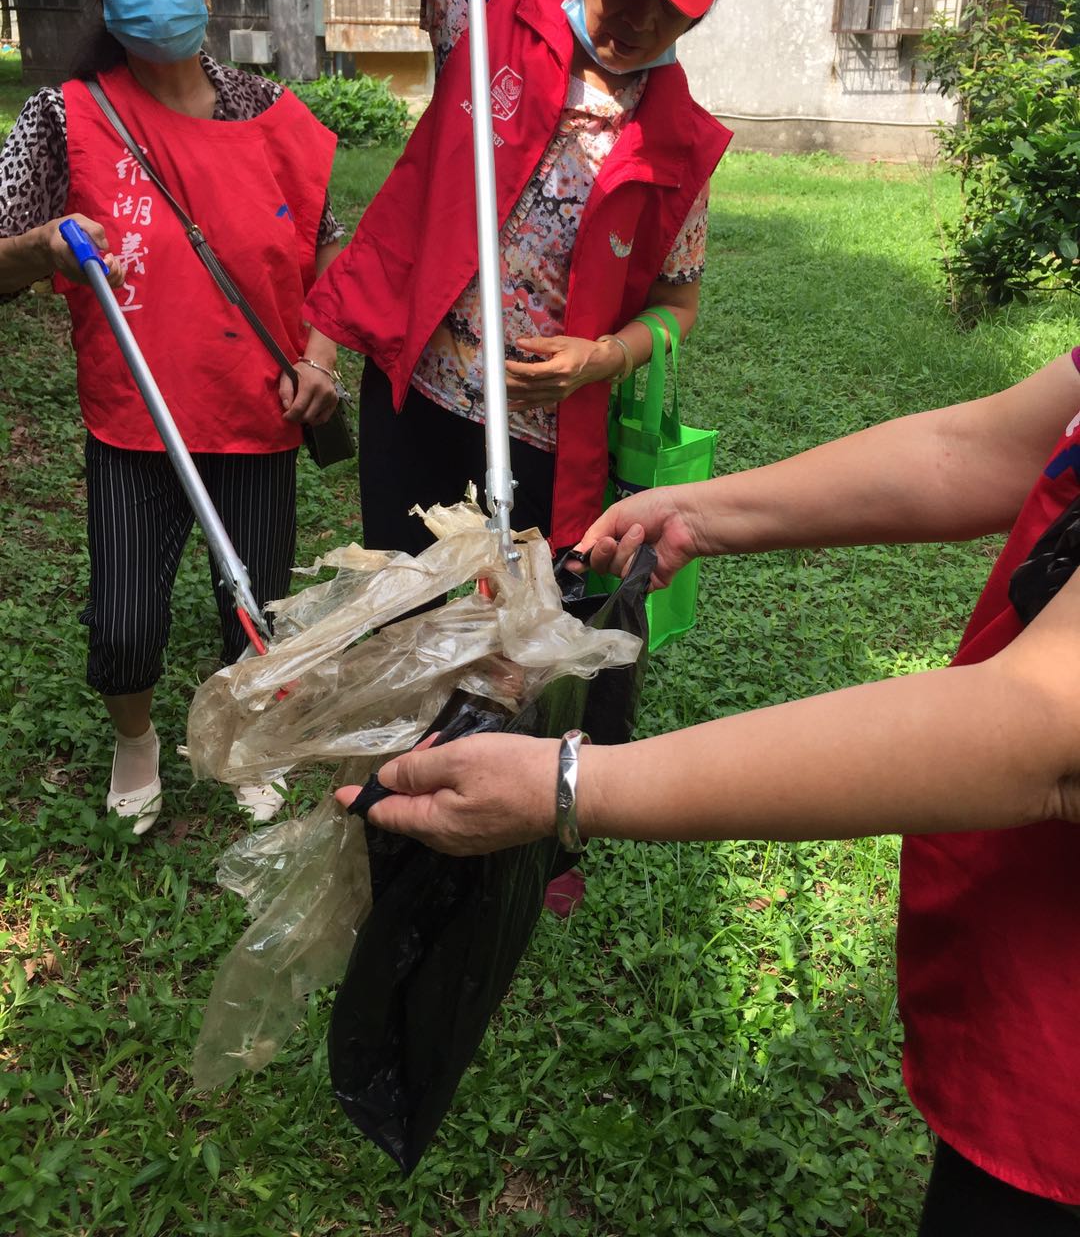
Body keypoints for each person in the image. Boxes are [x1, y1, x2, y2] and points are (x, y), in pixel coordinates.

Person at [336, 347, 1080, 1230]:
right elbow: (983, 447)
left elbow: (1045, 730)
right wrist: (696, 512)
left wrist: (571, 786)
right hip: (1008, 965)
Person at [0, 0, 343, 835]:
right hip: (135, 419)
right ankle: (137, 741)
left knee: (255, 607)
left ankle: (244, 742)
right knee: (123, 626)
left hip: (258, 413)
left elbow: (330, 246)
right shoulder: (65, 117)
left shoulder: (268, 111)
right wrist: (41, 247)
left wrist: (320, 360)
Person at [304, 0, 734, 554]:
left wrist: (602, 358)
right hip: (417, 399)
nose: (641, 18)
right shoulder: (490, 1)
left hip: (543, 439)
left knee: (513, 620)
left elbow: (677, 306)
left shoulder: (679, 143)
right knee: (405, 600)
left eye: (671, 1)